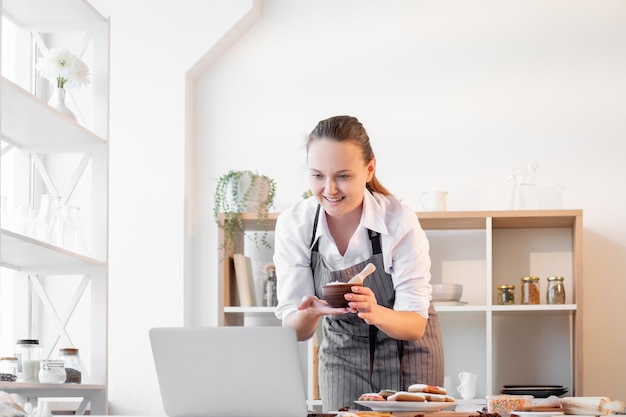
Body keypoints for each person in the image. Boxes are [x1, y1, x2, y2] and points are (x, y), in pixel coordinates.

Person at [273, 115, 444, 412]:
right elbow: (297, 331)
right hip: (342, 351)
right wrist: (311, 312)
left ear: (369, 169)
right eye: (317, 176)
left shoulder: (399, 220)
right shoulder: (295, 224)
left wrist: (374, 311)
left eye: (343, 175)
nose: (329, 189)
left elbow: (415, 324)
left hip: (409, 351)